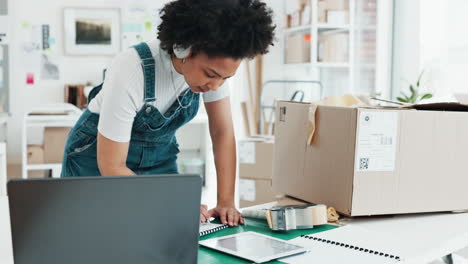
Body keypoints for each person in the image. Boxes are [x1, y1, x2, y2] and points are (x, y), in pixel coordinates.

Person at [61, 0, 275, 227]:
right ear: (184, 47)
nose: (216, 85)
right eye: (210, 74)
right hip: (95, 159)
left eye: (225, 78)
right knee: (97, 234)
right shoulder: (131, 69)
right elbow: (112, 166)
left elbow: (222, 132)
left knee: (164, 235)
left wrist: (226, 201)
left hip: (157, 159)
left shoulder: (215, 77)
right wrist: (173, 203)